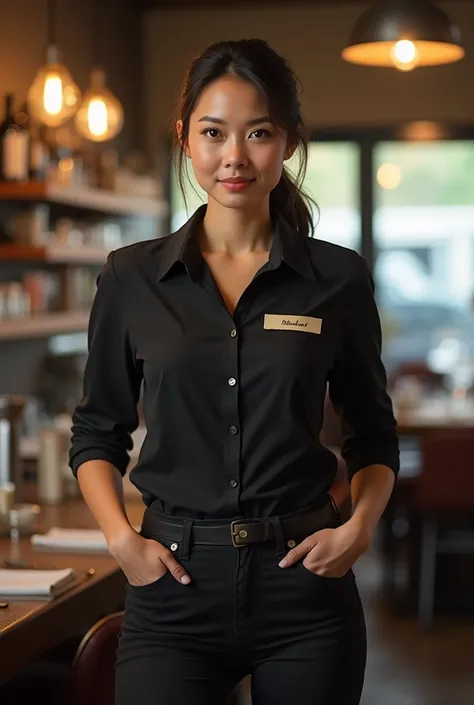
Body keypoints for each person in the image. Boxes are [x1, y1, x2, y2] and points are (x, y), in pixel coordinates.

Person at [69, 38, 399, 705]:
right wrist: (120, 539)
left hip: (305, 587)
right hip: (172, 589)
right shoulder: (131, 276)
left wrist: (359, 527)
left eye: (259, 134)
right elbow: (96, 431)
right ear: (185, 138)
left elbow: (373, 431)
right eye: (214, 133)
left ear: (288, 143)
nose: (234, 157)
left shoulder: (337, 279)